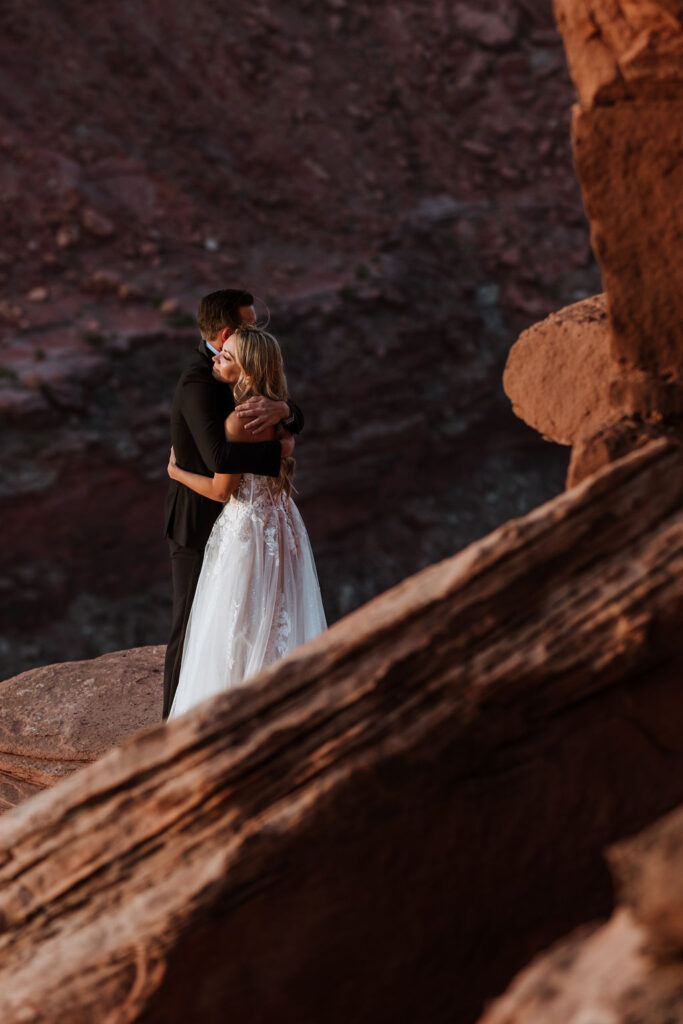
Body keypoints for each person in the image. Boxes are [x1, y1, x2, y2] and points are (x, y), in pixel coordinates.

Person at [166, 324, 326, 719]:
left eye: (227, 357)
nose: (216, 358)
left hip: (247, 528)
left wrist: (176, 472)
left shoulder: (238, 420)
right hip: (284, 522)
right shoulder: (276, 410)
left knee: (236, 622)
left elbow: (223, 490)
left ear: (248, 371)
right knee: (279, 614)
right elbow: (286, 443)